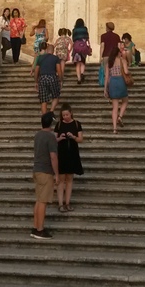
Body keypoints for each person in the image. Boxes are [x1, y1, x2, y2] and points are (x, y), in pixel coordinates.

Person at [32, 112, 59, 240]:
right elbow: (53, 157)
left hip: (37, 170)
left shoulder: (38, 135)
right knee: (43, 201)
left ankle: (36, 226)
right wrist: (57, 174)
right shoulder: (50, 137)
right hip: (46, 171)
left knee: (38, 200)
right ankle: (40, 230)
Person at [55, 103, 84, 212]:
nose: (65, 117)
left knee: (70, 179)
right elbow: (54, 139)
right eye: (63, 115)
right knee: (61, 179)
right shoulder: (59, 124)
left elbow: (81, 139)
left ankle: (67, 203)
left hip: (72, 154)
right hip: (61, 153)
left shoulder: (76, 124)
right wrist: (60, 138)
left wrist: (73, 137)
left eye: (67, 115)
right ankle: (60, 204)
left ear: (71, 113)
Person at [104, 44, 130, 133]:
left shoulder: (109, 62)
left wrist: (105, 89)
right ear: (118, 53)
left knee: (114, 108)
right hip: (120, 81)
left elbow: (106, 77)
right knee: (125, 101)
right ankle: (120, 116)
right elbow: (126, 71)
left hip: (112, 82)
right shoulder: (122, 60)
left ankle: (114, 128)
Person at [34, 41, 62, 116]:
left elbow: (36, 71)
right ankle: (51, 111)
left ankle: (44, 117)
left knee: (43, 100)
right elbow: (59, 70)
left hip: (42, 78)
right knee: (56, 96)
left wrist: (36, 82)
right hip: (52, 77)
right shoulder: (55, 58)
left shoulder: (40, 58)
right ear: (53, 51)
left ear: (46, 50)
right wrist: (60, 80)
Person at [72, 18, 91, 84]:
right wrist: (89, 46)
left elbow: (73, 39)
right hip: (83, 47)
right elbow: (87, 38)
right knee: (83, 62)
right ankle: (82, 73)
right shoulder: (85, 29)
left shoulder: (74, 30)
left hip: (77, 48)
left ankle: (79, 79)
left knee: (77, 63)